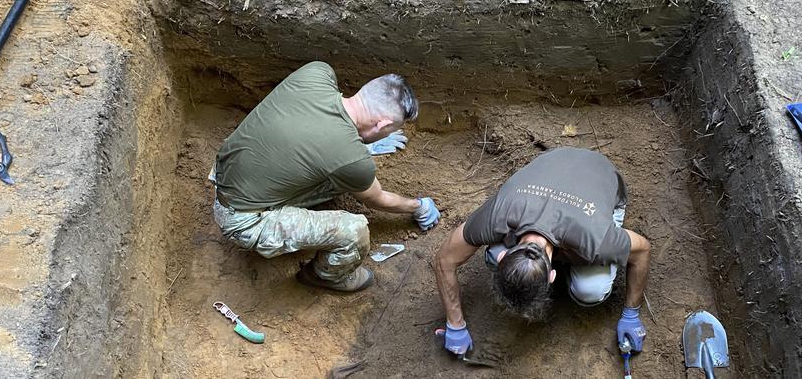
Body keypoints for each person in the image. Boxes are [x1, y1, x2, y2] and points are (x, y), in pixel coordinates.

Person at [210, 61, 440, 292]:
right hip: (243, 220)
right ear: (383, 124)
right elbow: (376, 198)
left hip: (227, 173)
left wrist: (356, 144)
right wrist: (418, 207)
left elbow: (311, 132)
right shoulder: (352, 160)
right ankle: (323, 277)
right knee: (354, 232)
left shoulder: (317, 72)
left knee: (336, 173)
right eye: (391, 129)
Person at [433, 147, 650, 355]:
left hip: (600, 174)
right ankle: (552, 261)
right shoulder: (498, 214)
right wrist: (455, 324)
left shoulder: (595, 239)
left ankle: (577, 265)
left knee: (590, 290)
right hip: (554, 159)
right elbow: (445, 259)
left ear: (553, 275)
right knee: (490, 251)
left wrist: (631, 313)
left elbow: (642, 250)